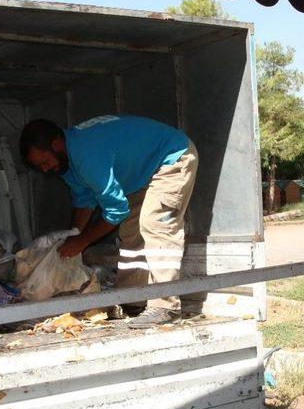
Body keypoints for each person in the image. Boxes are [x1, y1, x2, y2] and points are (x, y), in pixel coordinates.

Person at [19, 114, 198, 328]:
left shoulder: (87, 155)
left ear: (56, 144)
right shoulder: (68, 162)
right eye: (41, 167)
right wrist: (72, 236)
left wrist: (82, 241)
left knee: (155, 224)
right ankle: (134, 299)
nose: (46, 169)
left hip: (172, 158)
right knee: (131, 234)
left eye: (45, 162)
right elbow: (85, 201)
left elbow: (116, 210)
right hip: (143, 174)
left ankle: (166, 307)